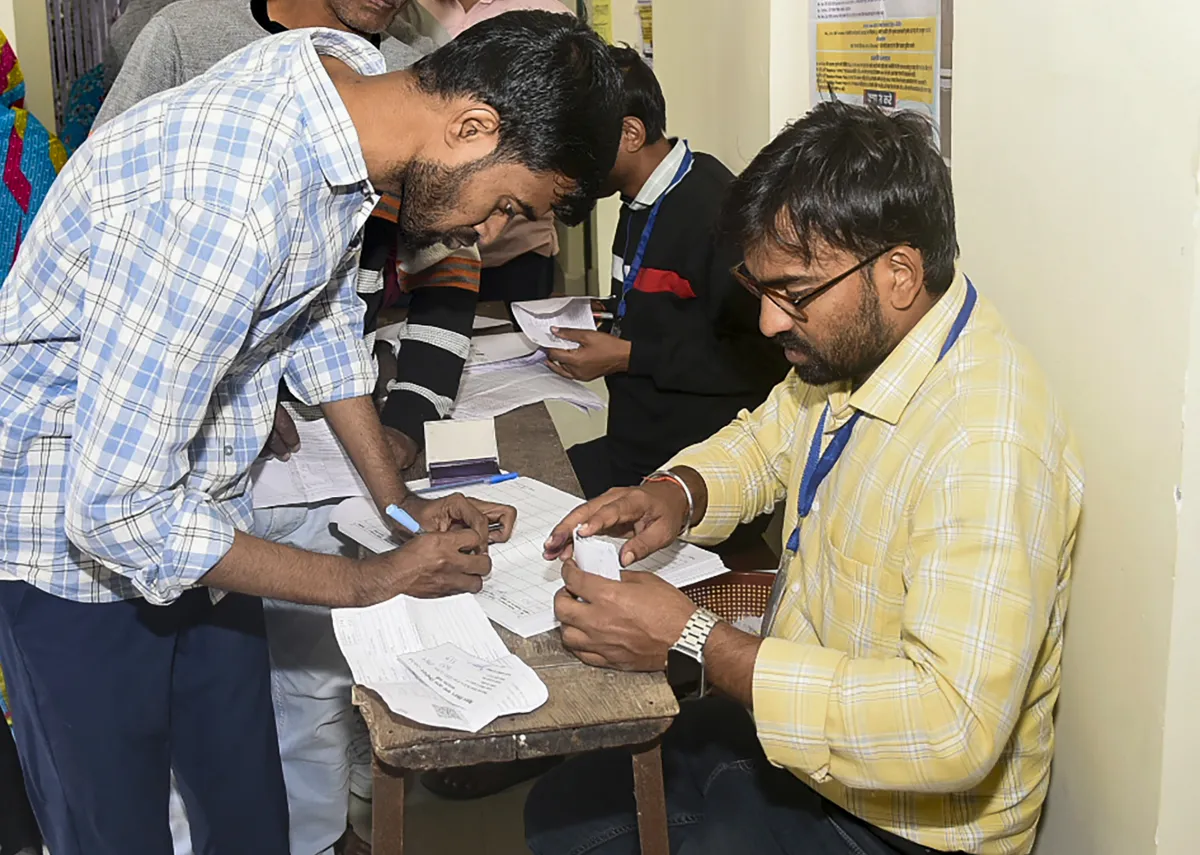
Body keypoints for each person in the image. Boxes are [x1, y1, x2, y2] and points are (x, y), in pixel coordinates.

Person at [0, 15, 622, 855]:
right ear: (472, 125)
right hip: (69, 558)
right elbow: (118, 513)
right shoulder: (225, 199)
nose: (484, 234)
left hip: (201, 524)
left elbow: (320, 316)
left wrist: (398, 505)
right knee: (116, 830)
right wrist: (371, 579)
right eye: (506, 203)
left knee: (250, 809)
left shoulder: (341, 89)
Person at [527, 101, 1084, 855]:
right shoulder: (862, 346)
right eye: (761, 292)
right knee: (562, 811)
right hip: (801, 729)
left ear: (897, 274)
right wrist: (675, 493)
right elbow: (769, 438)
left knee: (599, 836)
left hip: (904, 821)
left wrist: (693, 636)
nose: (768, 323)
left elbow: (952, 725)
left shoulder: (986, 441)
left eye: (792, 294)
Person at [97, 2, 471, 850]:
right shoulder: (187, 38)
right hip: (170, 443)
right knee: (167, 716)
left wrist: (407, 410)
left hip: (337, 431)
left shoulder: (412, 59)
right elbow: (112, 227)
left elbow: (435, 262)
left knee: (305, 688)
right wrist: (225, 376)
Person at [549, 46, 788, 566]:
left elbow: (760, 362)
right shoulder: (638, 199)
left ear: (631, 135)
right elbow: (658, 300)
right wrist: (606, 315)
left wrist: (628, 356)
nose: (570, 162)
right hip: (636, 439)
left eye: (582, 145)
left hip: (689, 471)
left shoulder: (716, 212)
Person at [418, 0, 576, 307]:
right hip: (415, 259)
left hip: (515, 259)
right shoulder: (403, 11)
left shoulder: (549, 16)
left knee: (517, 350)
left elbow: (569, 143)